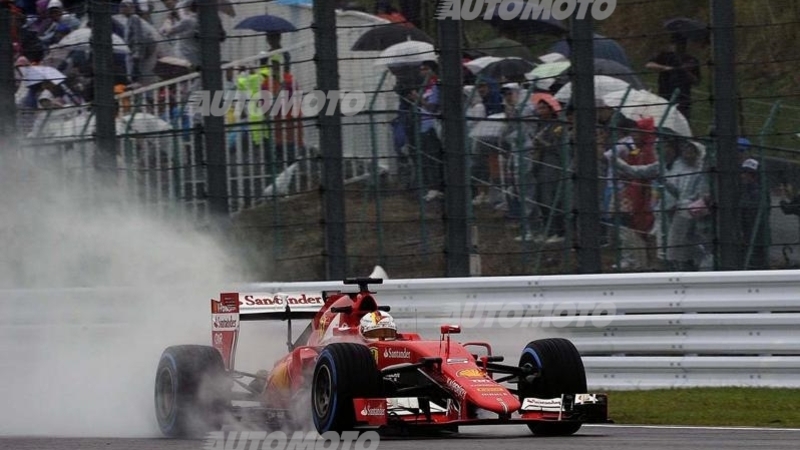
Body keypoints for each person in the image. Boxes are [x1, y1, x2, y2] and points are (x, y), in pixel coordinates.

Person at [645, 34, 701, 120]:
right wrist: (665, 68)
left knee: (682, 120)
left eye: (681, 44)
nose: (678, 47)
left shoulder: (691, 60)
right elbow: (649, 65)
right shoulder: (666, 56)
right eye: (675, 44)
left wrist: (685, 71)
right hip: (665, 95)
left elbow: (696, 81)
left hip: (683, 98)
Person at [739, 158, 770, 269]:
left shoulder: (759, 191)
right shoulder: (744, 189)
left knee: (757, 260)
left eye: (748, 174)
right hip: (747, 232)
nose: (744, 176)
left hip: (756, 233)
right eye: (743, 172)